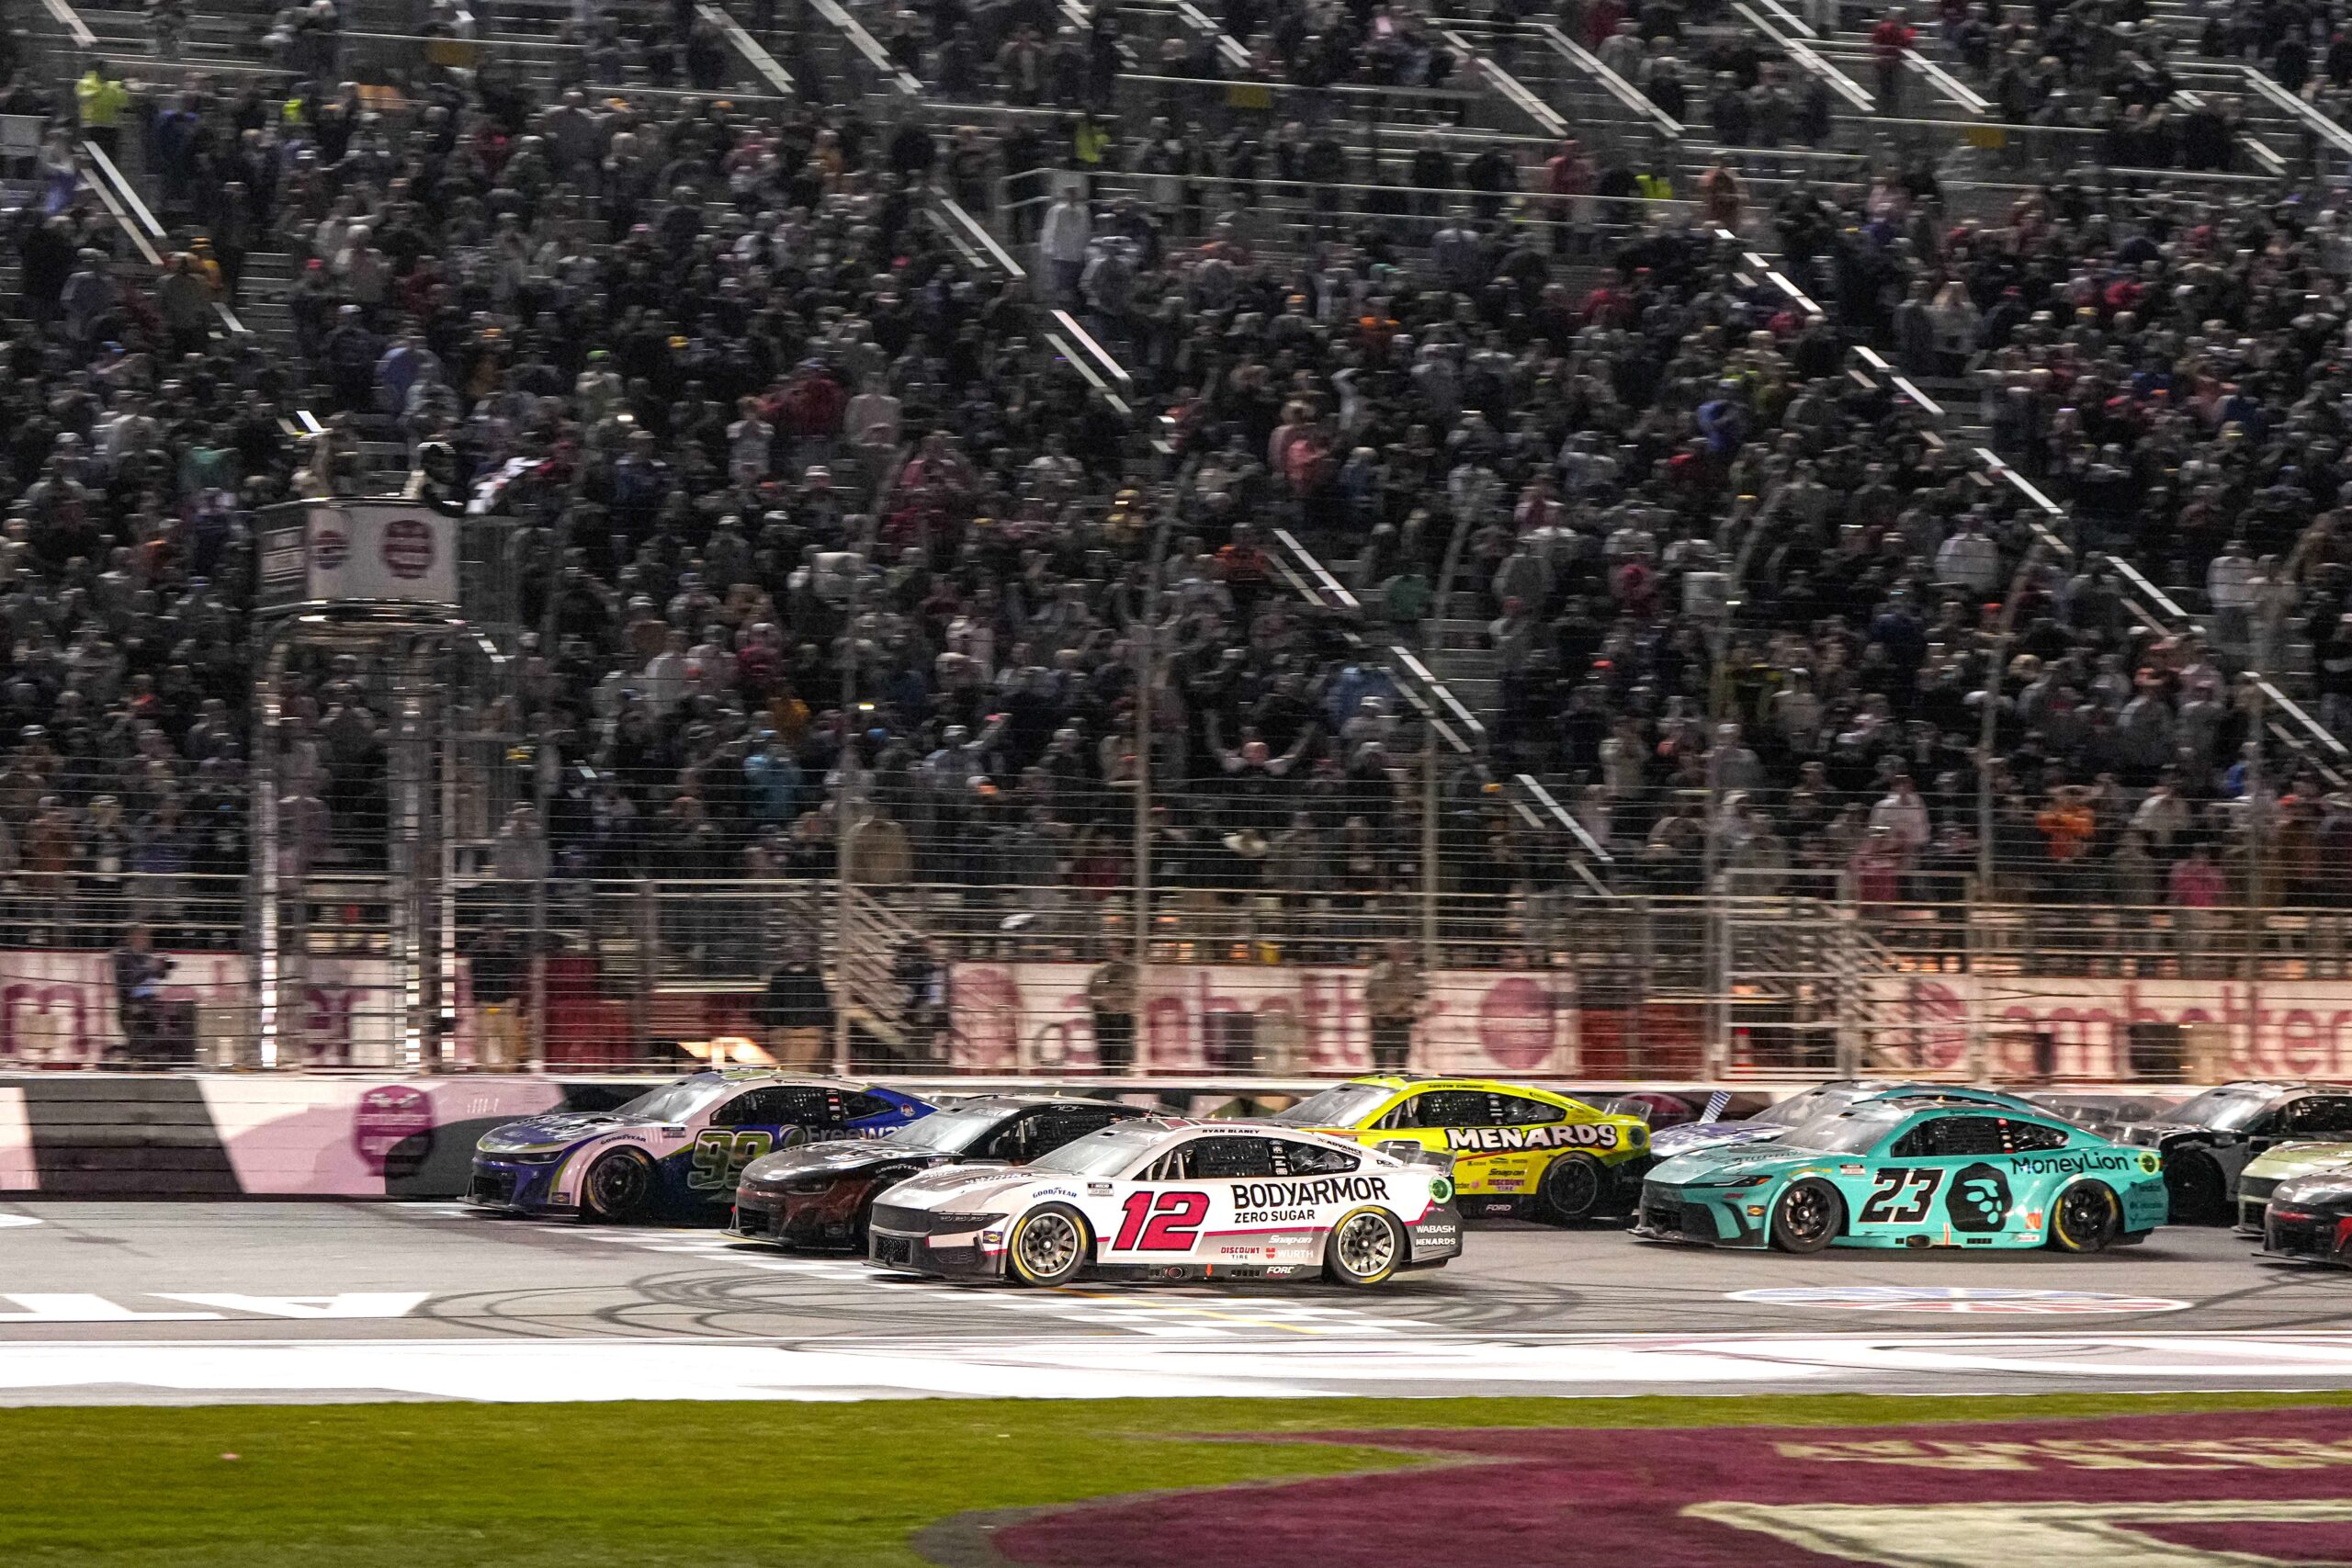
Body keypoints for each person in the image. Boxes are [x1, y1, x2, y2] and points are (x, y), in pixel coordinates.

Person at [757, 953, 833, 1069]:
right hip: (800, 1029)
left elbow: (772, 1003)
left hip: (794, 1029)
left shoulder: (782, 977)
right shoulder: (812, 977)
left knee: (793, 1070)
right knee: (797, 1070)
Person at [467, 922, 526, 1069]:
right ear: (486, 936)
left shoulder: (511, 955)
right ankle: (482, 1067)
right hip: (486, 1003)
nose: (495, 937)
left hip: (506, 1003)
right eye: (491, 934)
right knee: (483, 1038)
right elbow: (473, 976)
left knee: (509, 1038)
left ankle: (509, 1068)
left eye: (498, 934)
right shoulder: (478, 955)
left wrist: (517, 998)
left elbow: (518, 977)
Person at [110, 923, 173, 1063]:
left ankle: (143, 1060)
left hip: (150, 1003)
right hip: (132, 1004)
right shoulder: (122, 955)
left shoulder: (146, 957)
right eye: (142, 934)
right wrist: (150, 967)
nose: (145, 938)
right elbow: (130, 977)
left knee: (159, 1035)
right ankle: (132, 1059)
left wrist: (162, 966)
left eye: (146, 935)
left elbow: (161, 975)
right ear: (132, 936)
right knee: (139, 1038)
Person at [1363, 941, 1427, 1073]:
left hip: (1400, 1019)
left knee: (1402, 1054)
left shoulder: (1409, 969)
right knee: (1380, 1057)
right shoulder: (1382, 968)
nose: (1401, 952)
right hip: (1384, 1018)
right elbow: (1373, 992)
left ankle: (1399, 1076)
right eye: (1398, 949)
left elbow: (1419, 991)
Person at [1086, 953, 1137, 1073]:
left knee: (1120, 1052)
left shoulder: (1130, 970)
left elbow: (1133, 996)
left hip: (1121, 1016)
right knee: (1106, 1052)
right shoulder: (1101, 971)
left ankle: (1118, 1077)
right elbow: (1092, 993)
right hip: (1105, 1016)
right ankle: (1110, 1077)